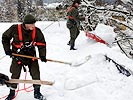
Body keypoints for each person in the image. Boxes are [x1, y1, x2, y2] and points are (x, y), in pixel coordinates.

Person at [2, 14, 47, 100]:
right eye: (32, 24)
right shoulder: (15, 29)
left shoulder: (37, 31)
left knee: (36, 73)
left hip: (31, 56)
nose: (34, 26)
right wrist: (7, 50)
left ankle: (37, 92)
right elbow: (5, 37)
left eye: (34, 24)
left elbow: (42, 44)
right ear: (26, 24)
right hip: (17, 56)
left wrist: (42, 55)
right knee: (15, 74)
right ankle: (12, 92)